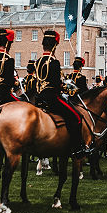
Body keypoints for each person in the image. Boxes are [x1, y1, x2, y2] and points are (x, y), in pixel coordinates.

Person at [35, 30, 87, 159]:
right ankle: (77, 148)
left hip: (38, 98)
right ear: (54, 46)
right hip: (52, 99)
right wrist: (66, 89)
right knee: (76, 117)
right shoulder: (54, 62)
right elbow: (56, 84)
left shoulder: (37, 62)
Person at [0, 28, 21, 103]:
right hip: (4, 94)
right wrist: (16, 82)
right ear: (8, 44)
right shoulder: (8, 59)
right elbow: (9, 81)